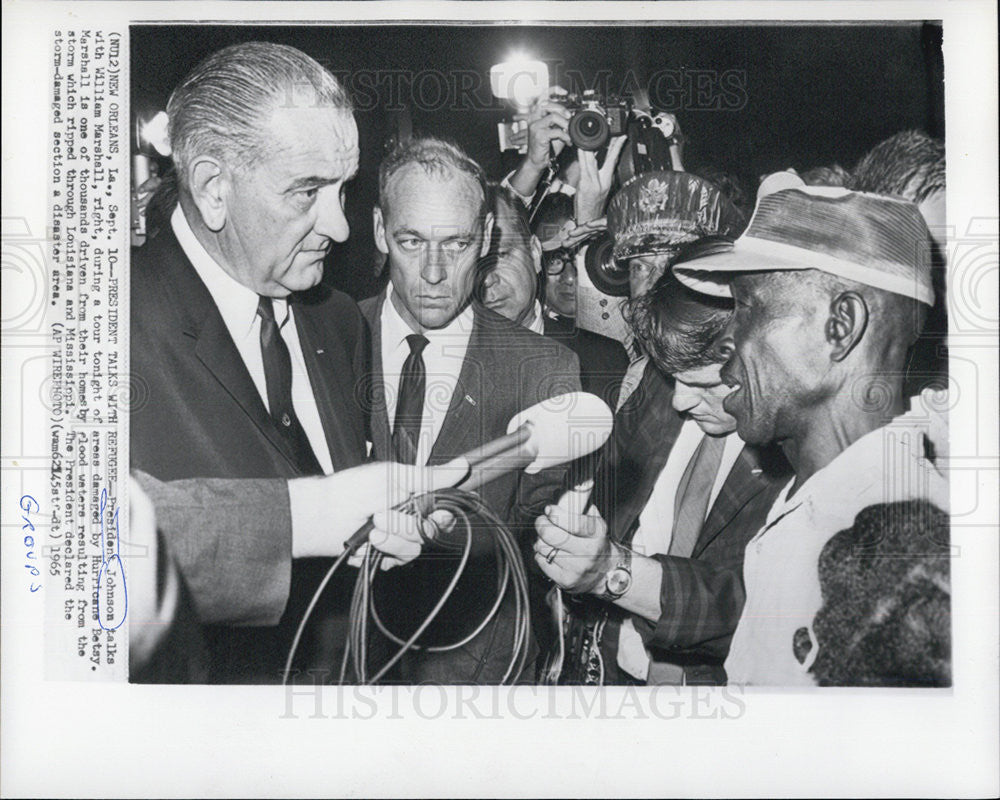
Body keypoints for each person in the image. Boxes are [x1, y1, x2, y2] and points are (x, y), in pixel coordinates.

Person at [130, 42, 438, 683]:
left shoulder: (337, 318)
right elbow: (69, 561)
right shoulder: (97, 326)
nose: (343, 228)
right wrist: (309, 518)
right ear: (214, 188)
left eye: (344, 190)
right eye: (307, 193)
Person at [672, 175, 949, 686]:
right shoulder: (826, 498)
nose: (726, 340)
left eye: (748, 307)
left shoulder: (898, 553)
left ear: (840, 325)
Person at [360, 136, 582, 683]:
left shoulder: (543, 367)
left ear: (484, 238)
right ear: (378, 231)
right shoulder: (329, 337)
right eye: (410, 241)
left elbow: (534, 539)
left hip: (477, 673)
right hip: (346, 667)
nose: (433, 273)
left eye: (456, 244)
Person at [533, 270, 790, 685]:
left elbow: (757, 607)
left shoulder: (813, 448)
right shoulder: (668, 378)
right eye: (673, 378)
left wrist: (609, 572)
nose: (680, 400)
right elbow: (610, 485)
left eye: (707, 384)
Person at [479, 186, 629, 407]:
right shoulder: (439, 364)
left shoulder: (605, 363)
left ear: (534, 253)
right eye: (473, 262)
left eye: (501, 255)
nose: (487, 279)